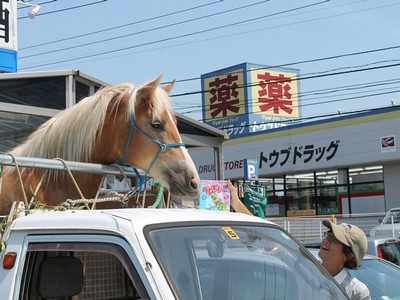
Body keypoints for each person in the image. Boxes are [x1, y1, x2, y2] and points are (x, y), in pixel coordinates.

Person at [319, 220, 371, 300]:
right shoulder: (304, 273)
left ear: (348, 255)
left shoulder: (357, 292)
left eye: (334, 239)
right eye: (327, 235)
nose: (325, 240)